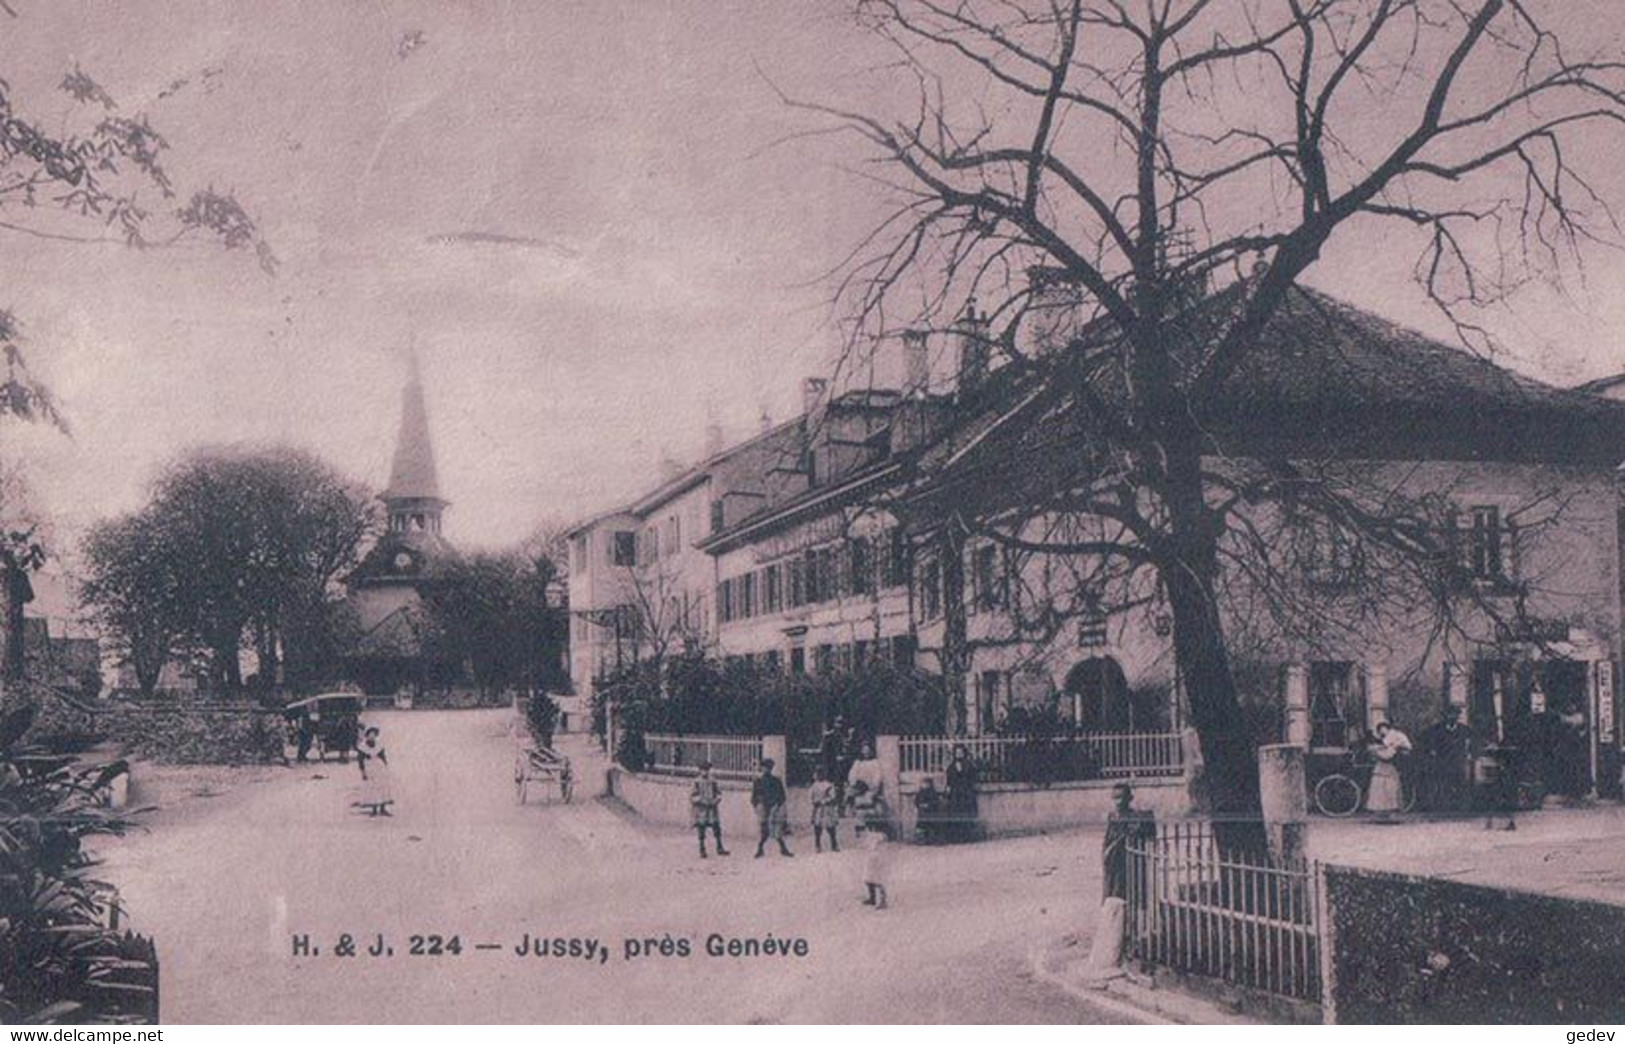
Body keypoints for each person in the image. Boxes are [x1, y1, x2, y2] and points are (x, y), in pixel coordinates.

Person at [1101, 782, 1155, 902]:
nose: (1118, 802)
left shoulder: (1134, 817)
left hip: (1129, 861)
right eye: (1115, 798)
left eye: (1121, 797)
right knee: (1113, 893)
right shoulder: (1113, 817)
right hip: (1114, 862)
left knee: (1132, 891)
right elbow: (1108, 839)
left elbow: (1148, 833)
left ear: (1129, 798)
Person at [1420, 705, 1473, 813]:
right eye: (1449, 714)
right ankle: (1443, 807)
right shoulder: (1436, 729)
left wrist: (1469, 753)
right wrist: (1431, 750)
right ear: (1445, 716)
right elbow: (1424, 739)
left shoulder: (1464, 729)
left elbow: (1473, 742)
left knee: (1461, 783)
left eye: (1455, 715)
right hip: (1442, 761)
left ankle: (1462, 808)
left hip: (1458, 761)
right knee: (1443, 783)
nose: (1452, 717)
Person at [1365, 721, 1410, 816]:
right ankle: (1382, 809)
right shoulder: (1388, 738)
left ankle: (1390, 808)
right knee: (1381, 786)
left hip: (1391, 765)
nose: (1381, 732)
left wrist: (1376, 751)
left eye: (1382, 729)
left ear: (1386, 728)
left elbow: (1388, 753)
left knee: (1388, 787)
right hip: (1386, 765)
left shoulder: (1393, 737)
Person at [750, 758, 793, 858]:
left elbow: (782, 796)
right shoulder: (758, 781)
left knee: (777, 831)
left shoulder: (776, 781)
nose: (767, 769)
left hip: (774, 807)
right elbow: (754, 797)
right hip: (763, 808)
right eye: (765, 767)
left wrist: (777, 806)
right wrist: (757, 807)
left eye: (769, 767)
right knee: (764, 830)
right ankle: (760, 849)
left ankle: (783, 849)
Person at [690, 760, 729, 859]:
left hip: (712, 809)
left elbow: (719, 793)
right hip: (701, 810)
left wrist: (716, 800)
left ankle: (719, 847)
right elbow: (692, 796)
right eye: (703, 770)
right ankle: (702, 849)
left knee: (716, 827)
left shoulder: (713, 781)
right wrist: (701, 800)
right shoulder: (696, 782)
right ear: (700, 771)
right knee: (701, 829)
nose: (705, 772)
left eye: (707, 770)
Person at [352, 725, 393, 817]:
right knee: (372, 787)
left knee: (382, 786)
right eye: (370, 734)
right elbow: (360, 760)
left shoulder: (379, 745)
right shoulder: (362, 747)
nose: (372, 736)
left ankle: (383, 808)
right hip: (369, 767)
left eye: (374, 734)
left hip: (379, 766)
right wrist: (363, 772)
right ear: (367, 735)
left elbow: (383, 756)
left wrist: (385, 766)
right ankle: (374, 809)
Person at [944, 744, 979, 842]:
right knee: (956, 813)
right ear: (954, 754)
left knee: (967, 813)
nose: (959, 754)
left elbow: (973, 778)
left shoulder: (969, 765)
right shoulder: (951, 766)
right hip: (956, 793)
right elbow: (949, 780)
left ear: (964, 753)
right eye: (957, 752)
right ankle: (956, 836)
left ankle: (967, 836)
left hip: (966, 793)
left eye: (961, 752)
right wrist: (947, 789)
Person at [859, 819, 893, 910]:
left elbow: (878, 844)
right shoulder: (871, 836)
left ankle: (883, 901)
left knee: (879, 880)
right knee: (868, 879)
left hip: (879, 860)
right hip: (871, 859)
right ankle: (872, 898)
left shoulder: (879, 836)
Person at [809, 766, 840, 853]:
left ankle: (834, 844)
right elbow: (811, 797)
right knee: (817, 827)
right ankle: (817, 845)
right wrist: (815, 801)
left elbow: (833, 797)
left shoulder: (829, 785)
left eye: (820, 773)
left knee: (831, 827)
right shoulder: (814, 785)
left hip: (827, 809)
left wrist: (825, 801)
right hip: (818, 809)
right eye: (817, 773)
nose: (818, 775)